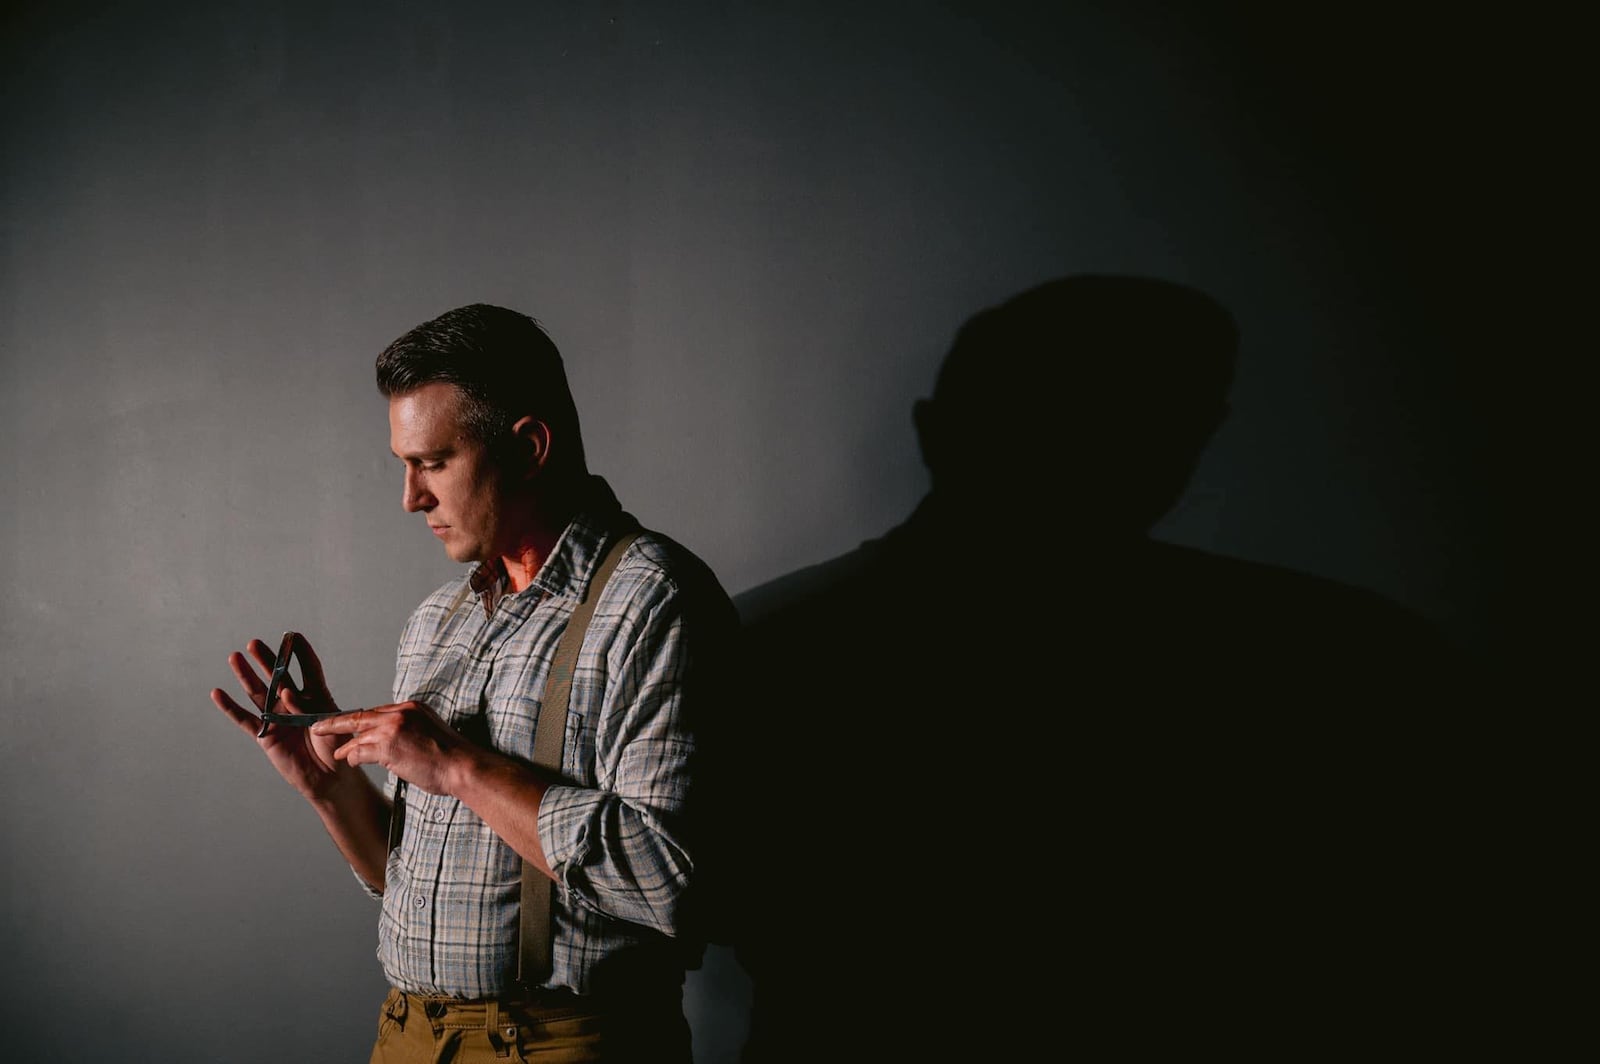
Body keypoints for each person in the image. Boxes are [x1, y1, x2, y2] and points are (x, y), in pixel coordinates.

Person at [727, 276, 1472, 1060]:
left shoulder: (754, 648)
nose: (1070, 451)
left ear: (934, 429)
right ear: (1192, 442)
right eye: (1048, 417)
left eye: (1109, 421)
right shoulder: (1349, 658)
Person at [211, 303, 737, 1063]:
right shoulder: (437, 621)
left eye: (432, 463)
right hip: (405, 1037)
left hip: (559, 1044)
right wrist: (330, 787)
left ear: (527, 447)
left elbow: (676, 886)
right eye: (403, 465)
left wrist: (459, 767)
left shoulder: (655, 601)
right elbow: (414, 890)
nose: (410, 498)